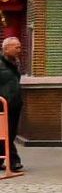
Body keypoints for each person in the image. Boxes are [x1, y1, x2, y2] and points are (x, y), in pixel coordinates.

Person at [0, 34, 25, 174]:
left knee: (9, 133)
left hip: (14, 105)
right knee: (6, 133)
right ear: (6, 48)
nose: (19, 49)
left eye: (20, 47)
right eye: (17, 47)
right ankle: (14, 161)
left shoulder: (15, 62)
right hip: (2, 105)